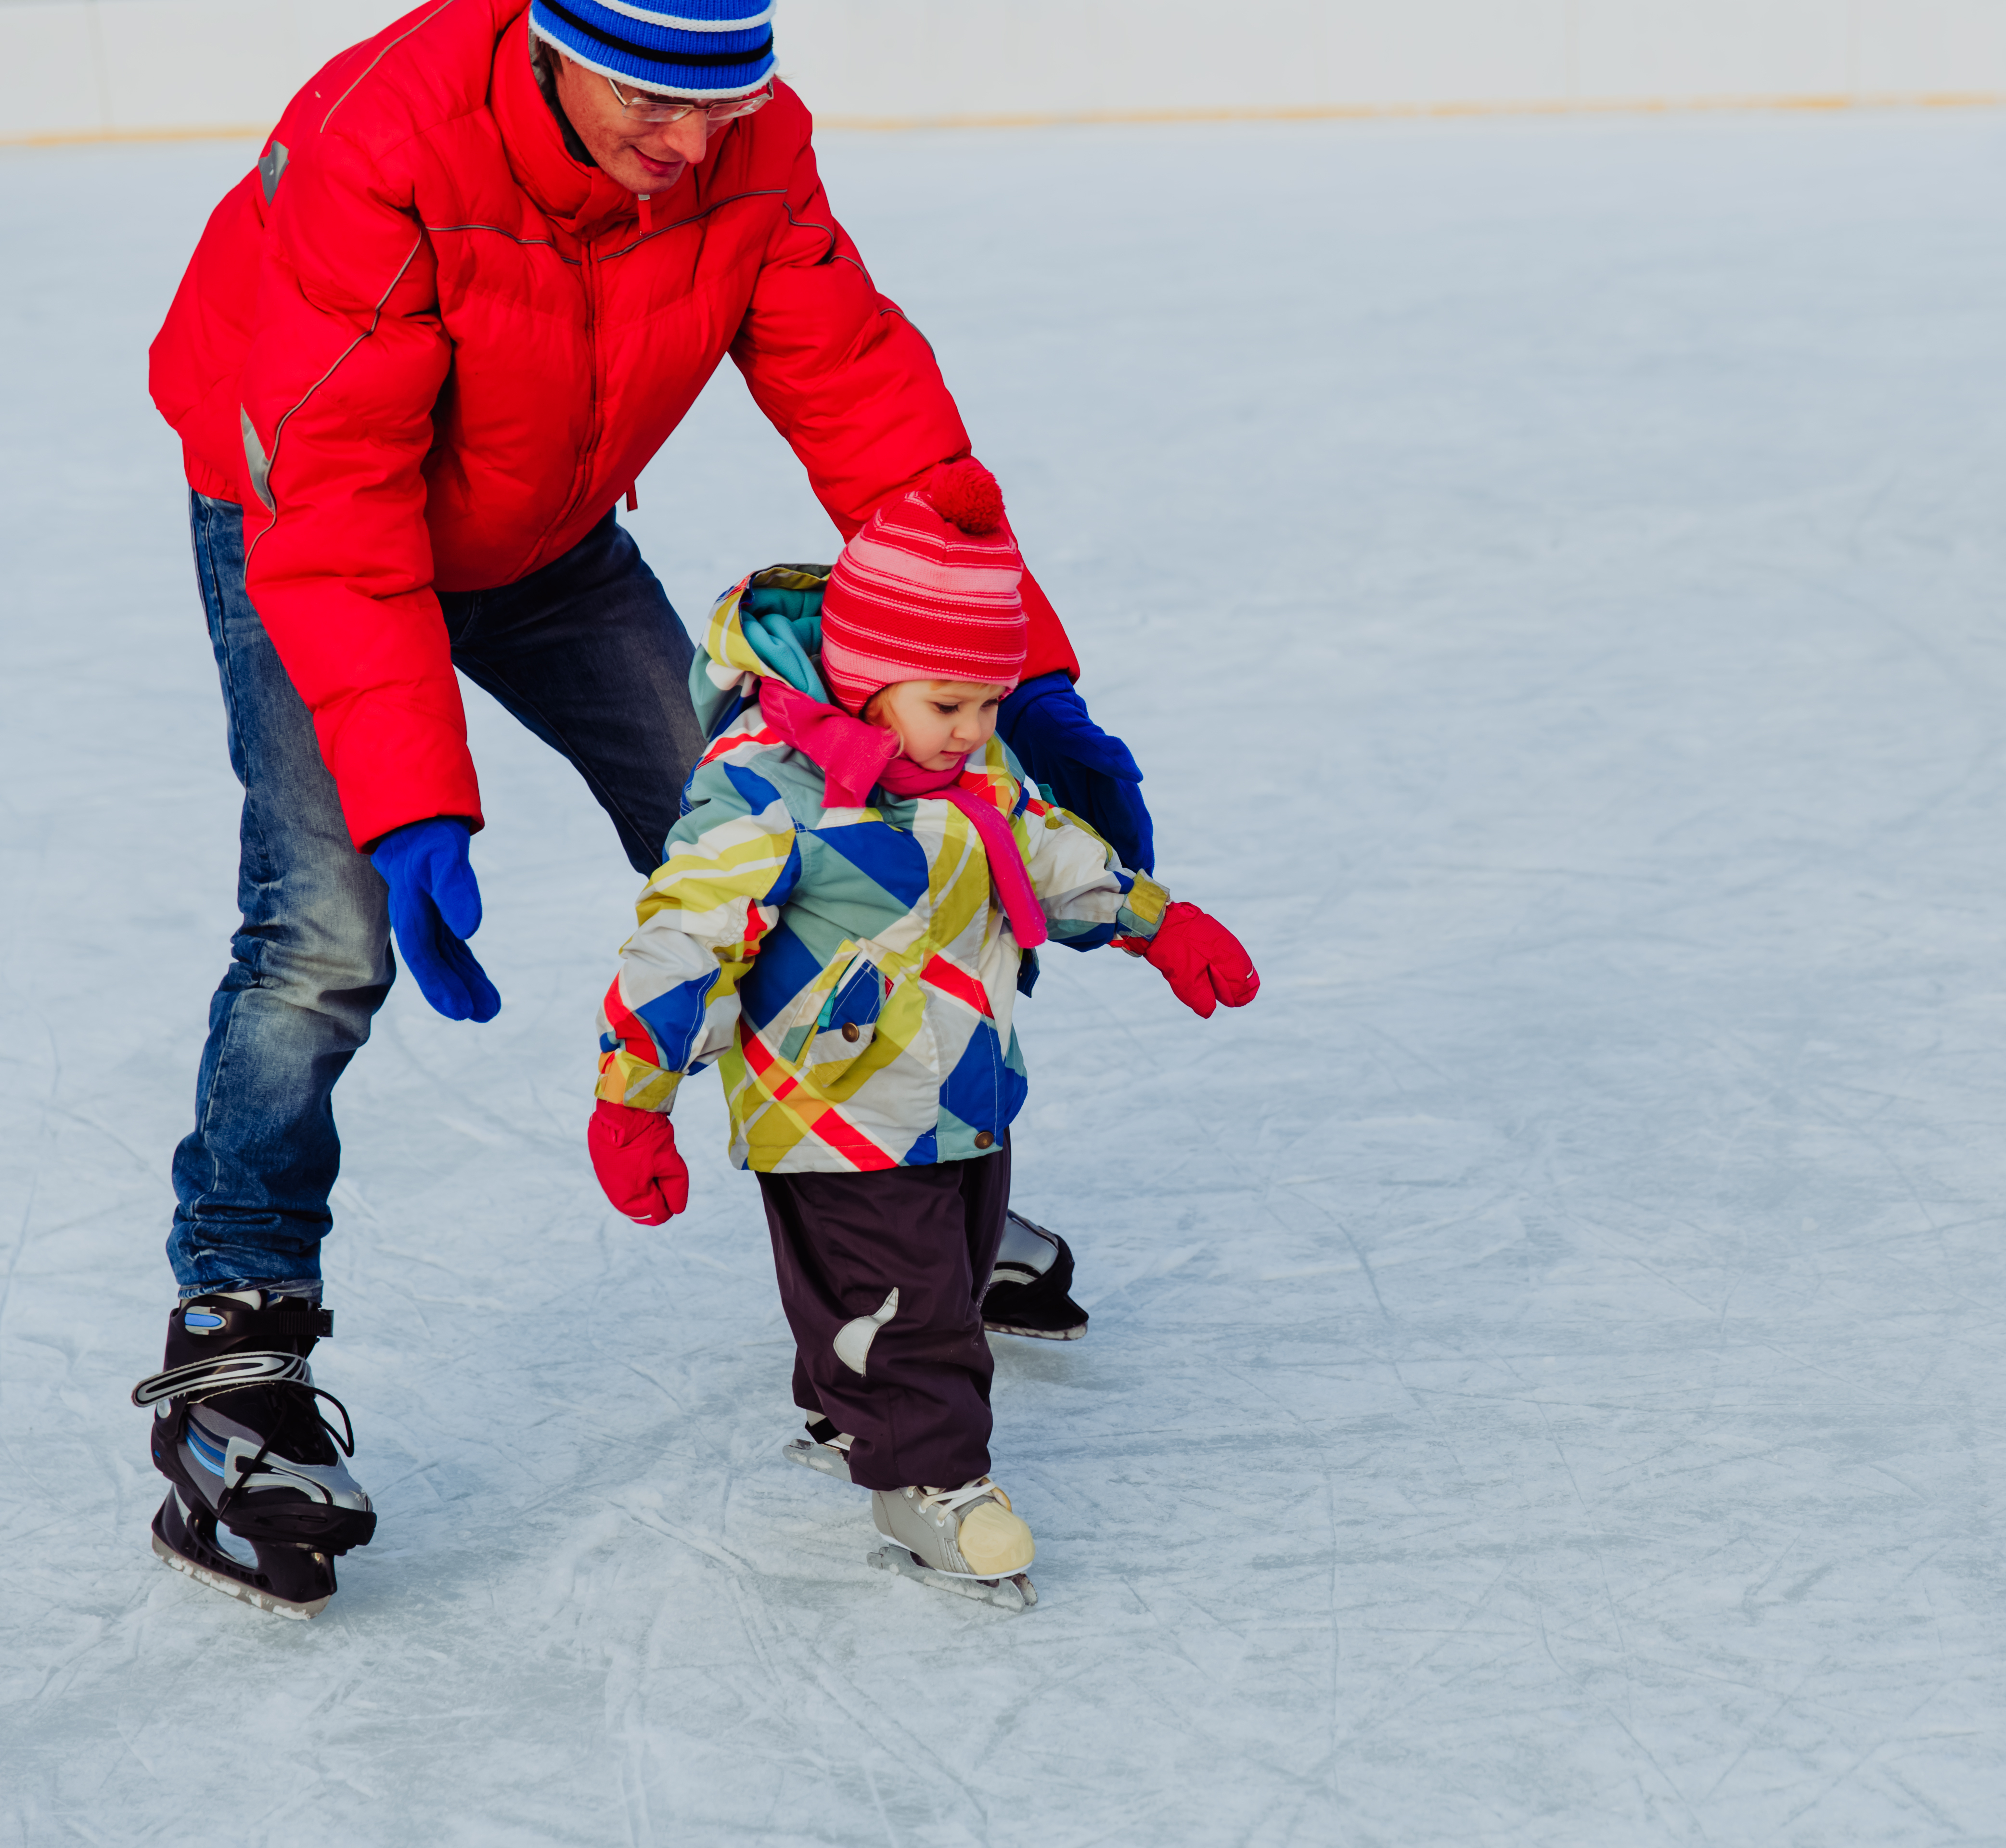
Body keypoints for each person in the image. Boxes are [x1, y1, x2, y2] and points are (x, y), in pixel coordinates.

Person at [133, 0, 1152, 1621]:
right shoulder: (385, 139)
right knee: (320, 935)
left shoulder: (750, 150)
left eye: (723, 102)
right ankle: (235, 1351)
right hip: (304, 502)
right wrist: (411, 810)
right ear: (547, 44)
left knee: (771, 842)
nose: (689, 146)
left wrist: (1018, 677)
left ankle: (868, 1234)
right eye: (650, 101)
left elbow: (871, 405)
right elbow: (335, 500)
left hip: (542, 526)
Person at [587, 486, 1258, 1609]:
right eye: (950, 703)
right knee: (917, 1307)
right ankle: (933, 1479)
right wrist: (634, 1101)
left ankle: (845, 1405)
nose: (975, 730)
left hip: (962, 1086)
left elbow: (1038, 848)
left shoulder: (965, 766)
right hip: (831, 1103)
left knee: (936, 1265)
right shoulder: (763, 795)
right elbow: (682, 947)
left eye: (990, 704)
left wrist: (1151, 921)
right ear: (861, 673)